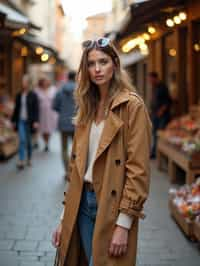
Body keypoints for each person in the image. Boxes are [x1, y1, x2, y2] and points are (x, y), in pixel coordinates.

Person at [52, 37, 151, 266]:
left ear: (115, 64)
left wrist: (124, 224)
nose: (97, 69)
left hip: (112, 205)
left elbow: (138, 170)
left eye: (103, 62)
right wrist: (64, 218)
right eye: (91, 63)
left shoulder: (132, 106)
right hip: (83, 203)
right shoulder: (86, 106)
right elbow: (76, 168)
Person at [12, 74, 39, 169]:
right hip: (20, 121)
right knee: (22, 140)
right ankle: (21, 160)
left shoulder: (33, 95)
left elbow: (36, 109)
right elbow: (16, 108)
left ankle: (29, 158)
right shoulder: (19, 94)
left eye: (25, 81)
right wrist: (13, 120)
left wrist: (36, 121)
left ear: (28, 83)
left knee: (28, 141)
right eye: (23, 81)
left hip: (29, 121)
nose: (23, 83)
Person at [52, 71, 76, 180]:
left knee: (64, 149)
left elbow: (54, 106)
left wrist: (62, 111)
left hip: (63, 123)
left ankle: (67, 172)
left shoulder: (60, 90)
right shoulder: (80, 90)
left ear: (67, 77)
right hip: (76, 123)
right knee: (77, 149)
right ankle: (74, 171)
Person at [148, 71, 171, 159]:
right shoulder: (154, 87)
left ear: (155, 78)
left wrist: (161, 111)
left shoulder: (163, 87)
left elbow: (168, 101)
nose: (149, 81)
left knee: (160, 134)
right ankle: (155, 152)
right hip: (155, 114)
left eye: (150, 79)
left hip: (162, 115)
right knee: (154, 133)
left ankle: (160, 154)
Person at [35, 77, 57, 152]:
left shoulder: (53, 89)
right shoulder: (37, 90)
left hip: (51, 113)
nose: (45, 83)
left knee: (49, 129)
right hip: (41, 113)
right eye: (44, 81)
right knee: (42, 129)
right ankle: (45, 142)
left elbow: (56, 100)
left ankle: (47, 143)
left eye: (46, 81)